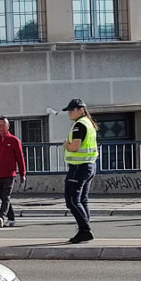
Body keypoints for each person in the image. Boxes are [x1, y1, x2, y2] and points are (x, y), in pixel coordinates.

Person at [61, 99, 98, 244]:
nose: (69, 113)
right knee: (82, 200)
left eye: (72, 110)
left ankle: (85, 230)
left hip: (78, 167)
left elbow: (74, 147)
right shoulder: (88, 123)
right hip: (89, 166)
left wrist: (66, 144)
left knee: (72, 200)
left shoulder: (79, 125)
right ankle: (84, 229)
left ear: (81, 109)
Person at [0, 117, 26, 228]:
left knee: (6, 196)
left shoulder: (14, 140)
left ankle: (1, 216)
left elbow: (20, 158)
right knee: (3, 197)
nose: (1, 128)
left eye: (3, 125)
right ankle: (11, 218)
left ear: (8, 126)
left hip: (9, 173)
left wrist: (23, 173)